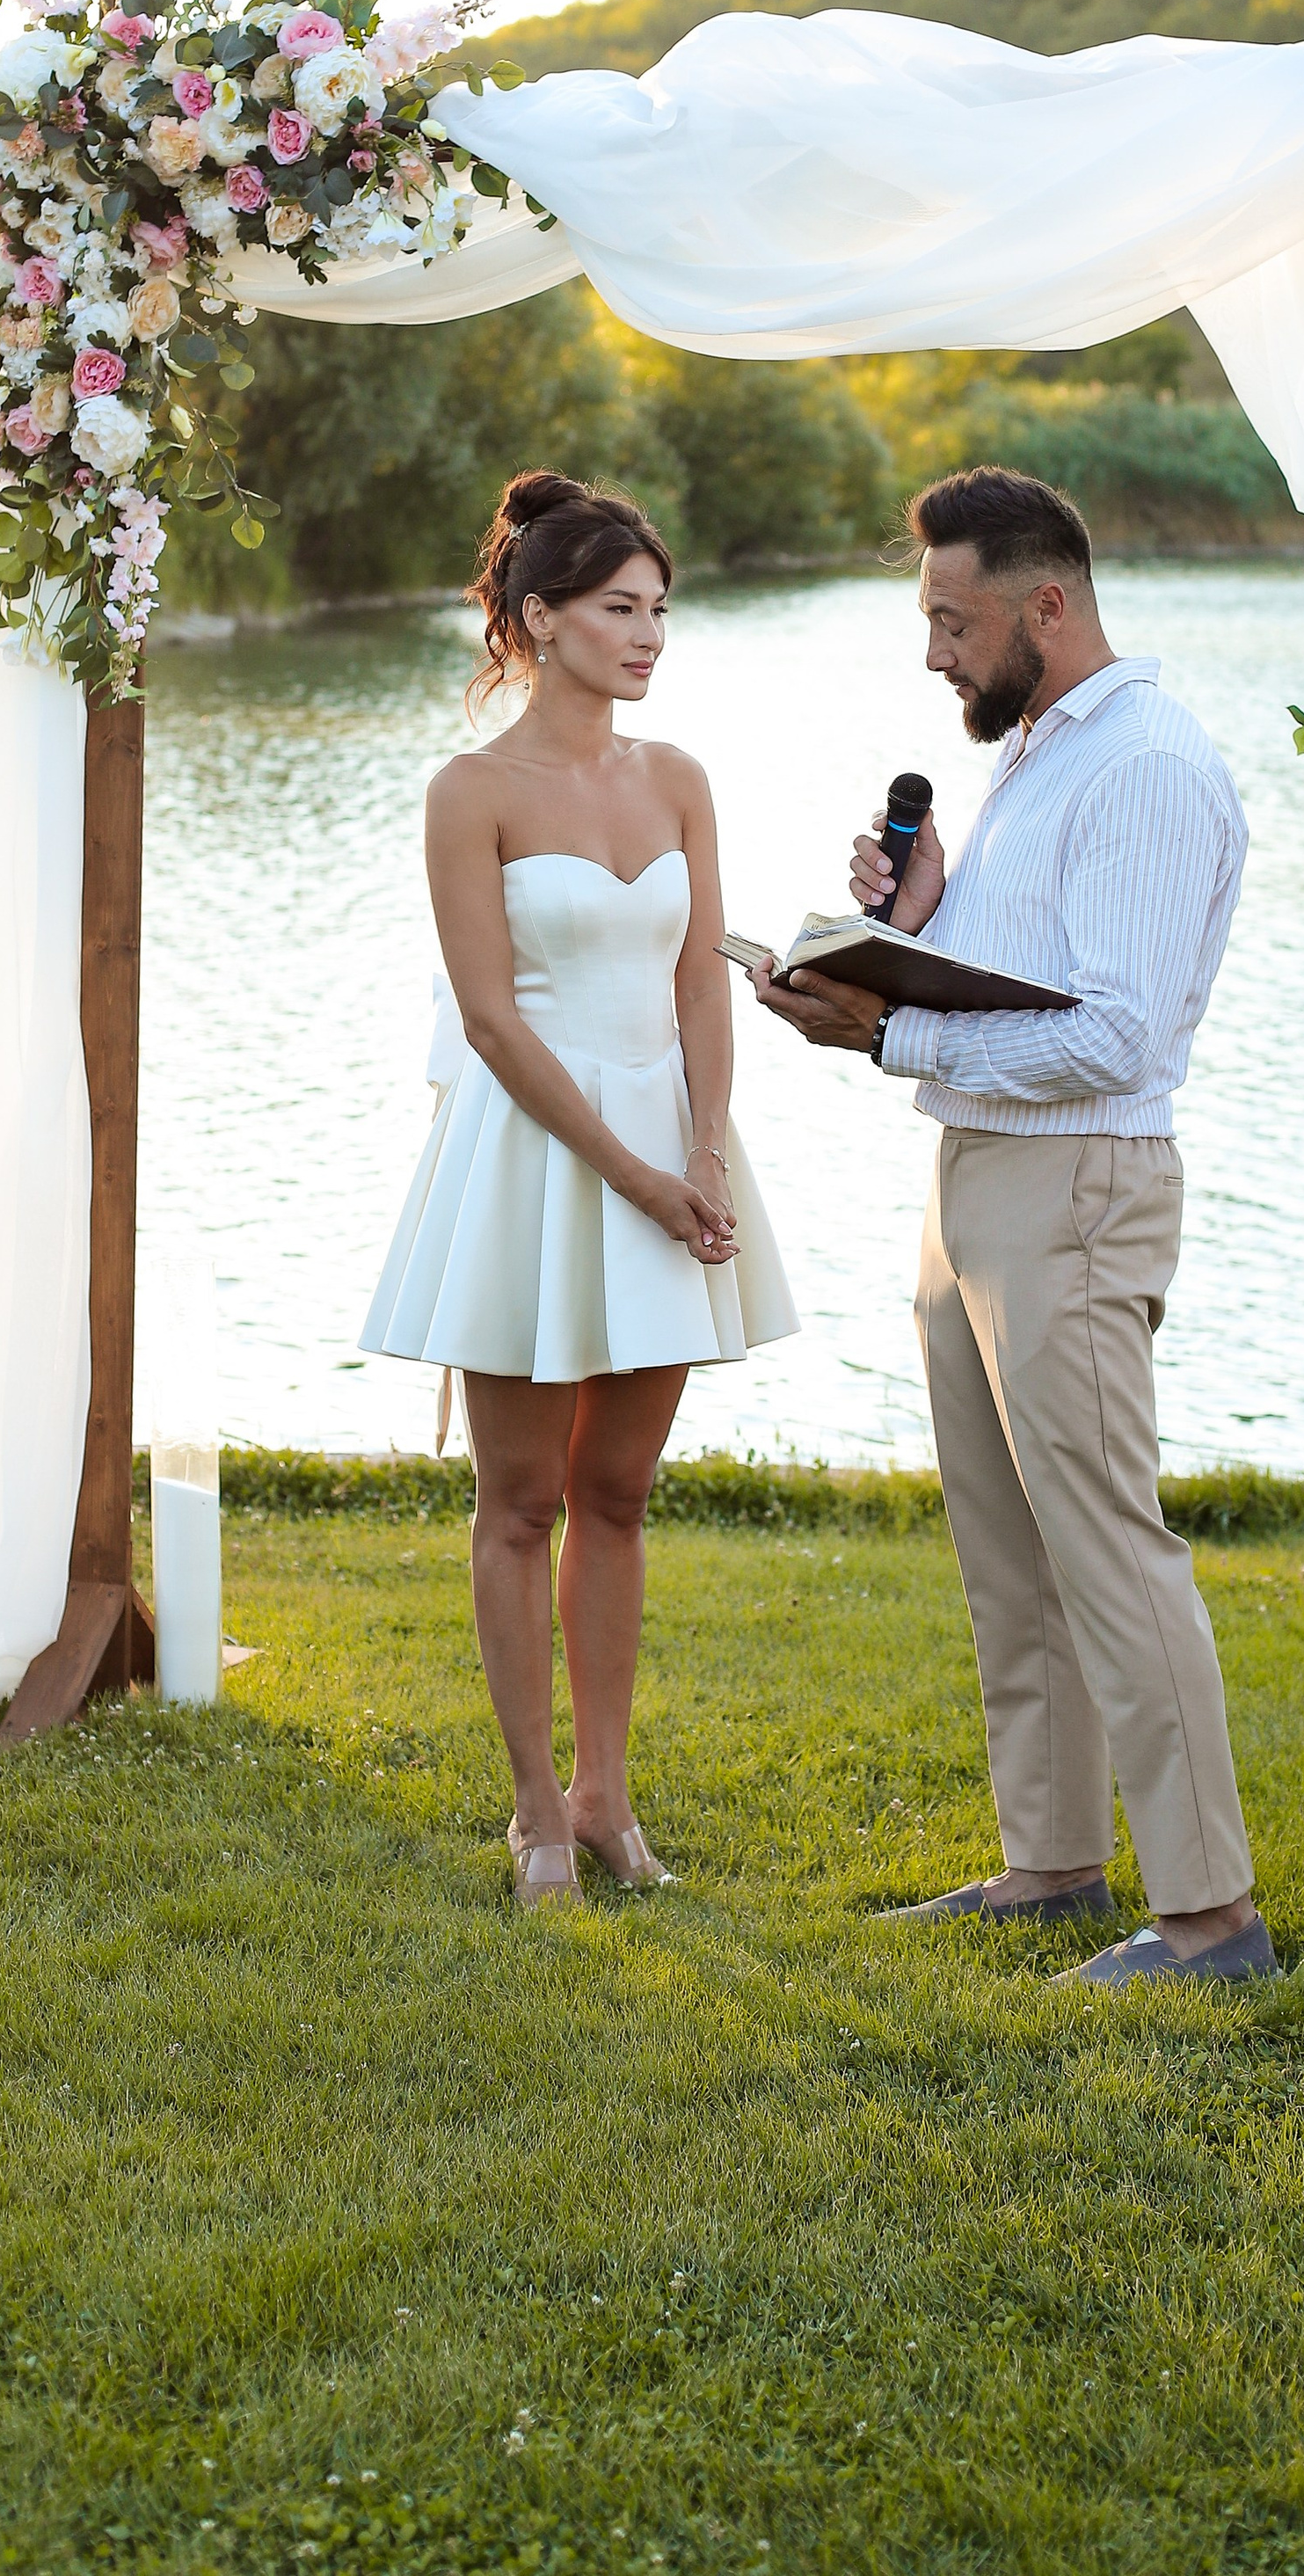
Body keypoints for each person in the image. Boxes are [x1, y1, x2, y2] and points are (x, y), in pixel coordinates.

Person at [749, 465, 1274, 1991]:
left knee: (1111, 1549)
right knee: (1012, 1552)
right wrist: (914, 931)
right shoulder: (1041, 751)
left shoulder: (1150, 768)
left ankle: (1213, 1922)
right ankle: (1050, 1868)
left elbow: (1113, 1036)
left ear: (1047, 603)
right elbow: (1033, 980)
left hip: (1079, 1189)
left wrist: (881, 1037)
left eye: (953, 621)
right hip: (977, 1179)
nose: (935, 654)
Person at [361, 471, 796, 1912]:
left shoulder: (677, 780)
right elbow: (491, 1020)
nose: (650, 634)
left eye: (661, 610)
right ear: (539, 618)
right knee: (519, 1497)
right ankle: (536, 1811)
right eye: (621, 609)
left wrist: (709, 1149)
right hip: (533, 1161)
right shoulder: (469, 793)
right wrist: (634, 1177)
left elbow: (700, 989)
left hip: (676, 1147)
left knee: (618, 1490)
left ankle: (610, 1799)